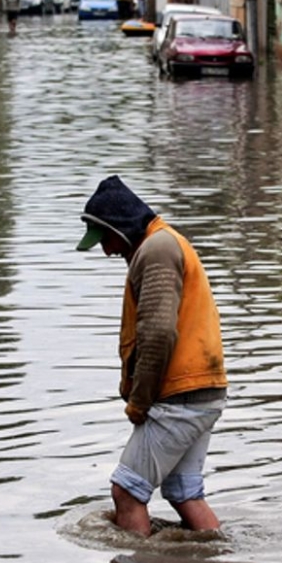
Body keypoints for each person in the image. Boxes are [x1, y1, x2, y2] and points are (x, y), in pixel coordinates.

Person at [76, 175, 228, 537]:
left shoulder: (156, 249)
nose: (107, 251)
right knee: (183, 493)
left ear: (122, 227)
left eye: (106, 240)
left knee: (127, 491)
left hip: (181, 394)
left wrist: (139, 402)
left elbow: (158, 334)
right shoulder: (163, 244)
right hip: (203, 390)